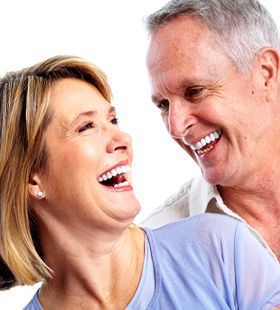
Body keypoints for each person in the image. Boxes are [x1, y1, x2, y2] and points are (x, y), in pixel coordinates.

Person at [0, 55, 279, 309]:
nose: (123, 139)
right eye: (86, 127)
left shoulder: (218, 249)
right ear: (32, 179)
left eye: (113, 120)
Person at [143, 0, 280, 263]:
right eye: (163, 105)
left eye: (194, 91)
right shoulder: (153, 255)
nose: (176, 127)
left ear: (266, 74)